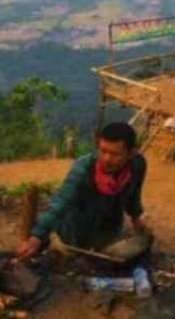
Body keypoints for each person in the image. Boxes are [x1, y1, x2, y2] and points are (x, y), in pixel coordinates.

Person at [17, 122, 152, 297]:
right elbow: (60, 202)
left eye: (115, 154)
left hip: (108, 227)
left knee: (133, 249)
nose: (106, 158)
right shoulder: (84, 168)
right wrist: (36, 237)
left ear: (131, 153)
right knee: (71, 252)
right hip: (76, 229)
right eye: (103, 150)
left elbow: (134, 194)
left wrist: (136, 217)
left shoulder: (138, 165)